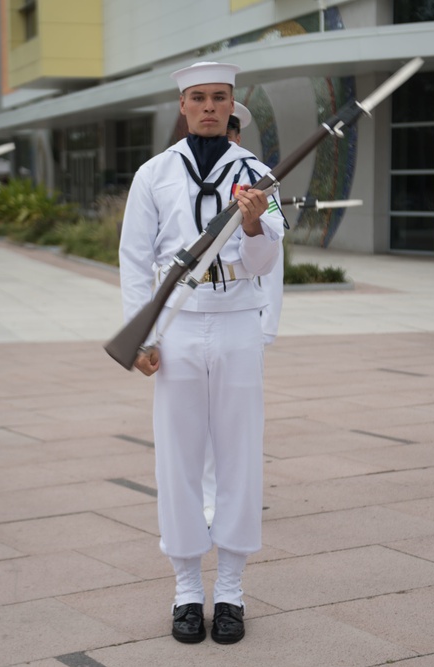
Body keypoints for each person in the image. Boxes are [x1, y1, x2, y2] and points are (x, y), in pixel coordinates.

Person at [118, 62, 283, 645]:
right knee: (179, 459)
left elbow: (267, 264)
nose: (209, 107)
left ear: (232, 105)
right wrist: (142, 334)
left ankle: (232, 591)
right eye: (198, 98)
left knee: (240, 454)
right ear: (183, 106)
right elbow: (136, 260)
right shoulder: (154, 174)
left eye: (219, 98)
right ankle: (188, 589)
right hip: (179, 327)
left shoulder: (259, 174)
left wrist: (257, 224)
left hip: (237, 320)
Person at [201, 101, 286, 528]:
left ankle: (232, 500)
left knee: (237, 421)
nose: (228, 136)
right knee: (199, 420)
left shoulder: (256, 178)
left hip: (243, 313)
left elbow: (273, 255)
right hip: (199, 312)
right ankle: (207, 499)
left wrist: (267, 323)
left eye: (233, 129)